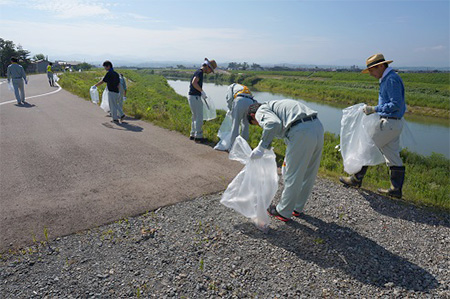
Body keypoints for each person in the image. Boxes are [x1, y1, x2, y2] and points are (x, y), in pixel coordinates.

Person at [339, 53, 406, 199]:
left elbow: (396, 104)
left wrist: (374, 109)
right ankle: (396, 189)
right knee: (393, 156)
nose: (371, 74)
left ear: (381, 66)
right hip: (394, 123)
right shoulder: (388, 78)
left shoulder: (391, 80)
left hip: (388, 123)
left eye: (372, 70)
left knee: (366, 147)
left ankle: (356, 179)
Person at [247, 99, 324, 222]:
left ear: (253, 115)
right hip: (317, 127)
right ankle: (297, 208)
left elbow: (272, 123)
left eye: (256, 123)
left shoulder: (261, 110)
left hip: (301, 131)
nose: (260, 124)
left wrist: (261, 147)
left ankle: (283, 211)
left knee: (292, 174)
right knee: (309, 172)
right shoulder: (276, 105)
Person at [187, 58, 217, 143]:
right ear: (207, 67)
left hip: (192, 96)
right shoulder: (200, 72)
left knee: (194, 116)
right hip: (195, 96)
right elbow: (194, 82)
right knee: (199, 116)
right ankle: (198, 136)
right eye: (211, 70)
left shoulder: (198, 72)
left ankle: (193, 134)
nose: (210, 72)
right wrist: (201, 91)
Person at [224, 83, 257, 150]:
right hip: (250, 102)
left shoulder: (231, 86)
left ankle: (232, 147)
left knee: (235, 124)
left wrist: (230, 109)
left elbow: (229, 98)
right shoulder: (244, 87)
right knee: (245, 125)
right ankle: (243, 147)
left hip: (239, 101)